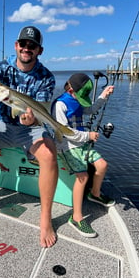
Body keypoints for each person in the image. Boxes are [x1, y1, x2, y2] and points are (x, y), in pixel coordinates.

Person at [0, 26, 58, 248]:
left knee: (48, 155)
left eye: (32, 46)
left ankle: (45, 219)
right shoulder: (1, 66)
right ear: (16, 46)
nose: (27, 48)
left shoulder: (46, 77)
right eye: (23, 44)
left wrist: (34, 120)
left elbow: (39, 113)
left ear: (39, 50)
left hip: (32, 129)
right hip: (4, 125)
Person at [51, 73, 115, 238]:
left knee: (102, 165)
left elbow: (91, 109)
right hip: (67, 147)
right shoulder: (60, 105)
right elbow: (65, 132)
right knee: (83, 176)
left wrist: (103, 95)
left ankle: (94, 193)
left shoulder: (78, 100)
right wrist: (88, 136)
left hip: (82, 144)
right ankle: (76, 217)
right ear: (71, 89)